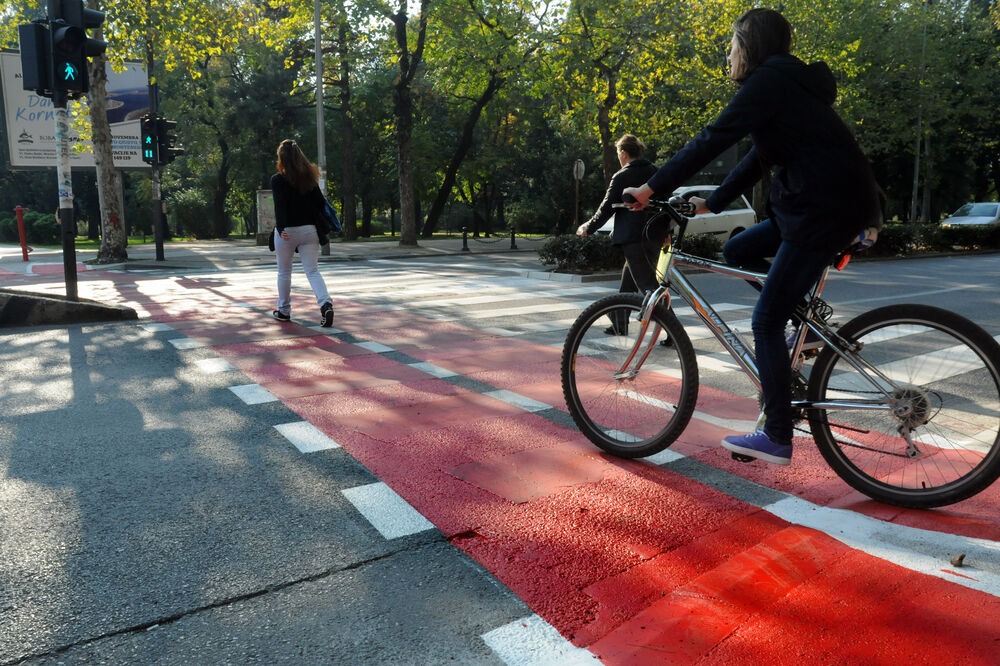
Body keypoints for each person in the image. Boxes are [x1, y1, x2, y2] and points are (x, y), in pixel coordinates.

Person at [623, 8, 882, 466]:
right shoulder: (787, 84)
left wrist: (649, 188)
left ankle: (778, 434)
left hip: (820, 209)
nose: (728, 55)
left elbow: (712, 139)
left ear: (749, 45)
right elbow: (760, 157)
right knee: (737, 249)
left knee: (764, 321)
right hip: (819, 203)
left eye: (731, 45)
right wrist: (714, 201)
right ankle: (804, 325)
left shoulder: (769, 81)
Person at [577, 134, 659, 334]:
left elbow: (606, 208)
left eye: (618, 154)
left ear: (624, 153)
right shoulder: (655, 172)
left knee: (649, 288)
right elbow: (664, 204)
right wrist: (668, 232)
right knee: (628, 285)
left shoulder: (622, 176)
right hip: (654, 235)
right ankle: (620, 324)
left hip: (633, 238)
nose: (618, 158)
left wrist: (588, 227)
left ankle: (674, 332)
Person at [270, 139, 335, 327]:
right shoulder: (309, 179)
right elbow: (321, 204)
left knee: (284, 271)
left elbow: (280, 208)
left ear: (281, 158)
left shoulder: (277, 180)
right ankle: (325, 305)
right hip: (310, 231)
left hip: (287, 232)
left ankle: (284, 310)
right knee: (313, 271)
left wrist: (281, 229)